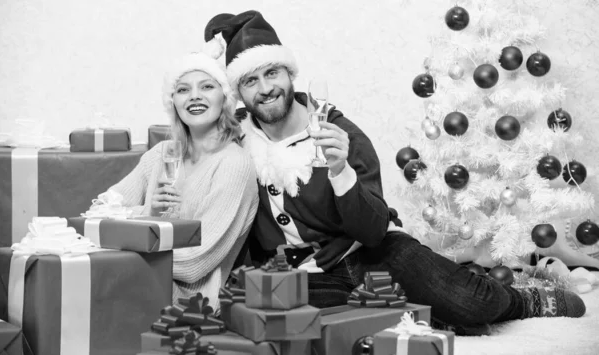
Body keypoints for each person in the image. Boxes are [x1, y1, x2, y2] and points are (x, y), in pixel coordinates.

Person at [204, 10, 586, 334]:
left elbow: (371, 229)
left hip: (371, 253)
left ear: (290, 75)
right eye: (251, 81)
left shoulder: (341, 134)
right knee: (280, 327)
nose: (265, 89)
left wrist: (340, 171)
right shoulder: (235, 140)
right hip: (302, 276)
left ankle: (523, 294)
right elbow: (193, 112)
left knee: (470, 307)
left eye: (272, 73)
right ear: (238, 92)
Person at [103, 37, 259, 312]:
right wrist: (146, 213)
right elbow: (100, 211)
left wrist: (121, 248)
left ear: (224, 98)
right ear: (173, 101)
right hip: (134, 281)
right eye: (183, 89)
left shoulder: (234, 164)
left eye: (207, 87)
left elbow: (193, 264)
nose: (195, 96)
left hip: (189, 307)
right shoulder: (164, 154)